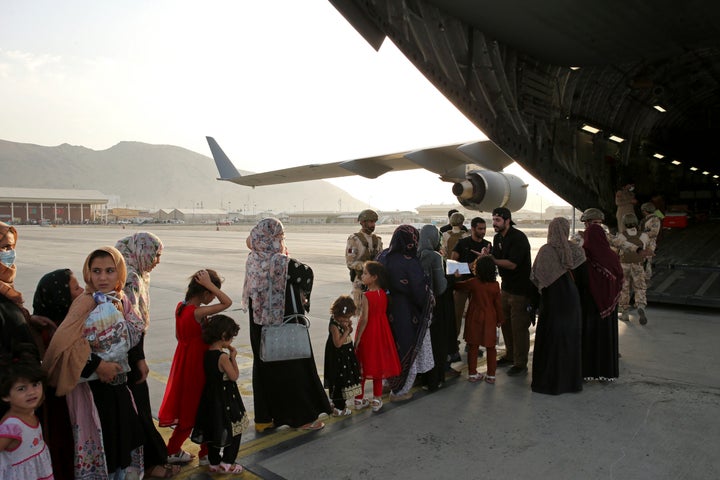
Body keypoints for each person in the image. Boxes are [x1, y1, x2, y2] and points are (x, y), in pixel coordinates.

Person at [43, 246, 145, 479]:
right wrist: (98, 366)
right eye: (96, 271)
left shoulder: (120, 299)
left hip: (118, 386)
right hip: (93, 390)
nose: (102, 277)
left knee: (121, 445)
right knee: (104, 444)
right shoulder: (84, 302)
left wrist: (138, 358)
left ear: (120, 272)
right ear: (88, 273)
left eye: (110, 271)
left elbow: (135, 329)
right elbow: (63, 345)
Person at [244, 218, 331, 431]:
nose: (282, 241)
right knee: (293, 368)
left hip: (260, 326)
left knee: (264, 368)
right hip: (284, 325)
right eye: (280, 237)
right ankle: (301, 418)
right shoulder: (282, 263)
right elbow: (307, 274)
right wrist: (304, 296)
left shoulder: (253, 259)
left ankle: (264, 419)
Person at [115, 232, 177, 478]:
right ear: (141, 250)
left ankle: (147, 461)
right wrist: (139, 358)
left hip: (125, 350)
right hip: (128, 352)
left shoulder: (130, 270)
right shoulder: (130, 277)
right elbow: (132, 324)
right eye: (155, 254)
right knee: (139, 407)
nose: (157, 260)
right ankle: (153, 463)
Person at [158, 269, 232, 465]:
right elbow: (228, 303)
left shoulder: (181, 307)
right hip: (197, 366)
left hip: (183, 360)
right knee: (200, 408)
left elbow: (177, 336)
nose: (214, 296)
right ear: (205, 292)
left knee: (190, 408)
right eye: (212, 293)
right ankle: (178, 451)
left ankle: (196, 452)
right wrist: (211, 284)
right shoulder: (197, 312)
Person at [32, 269, 84, 480]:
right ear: (60, 297)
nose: (82, 291)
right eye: (75, 288)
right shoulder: (50, 332)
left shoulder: (66, 322)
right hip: (59, 405)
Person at [378, 225, 434, 401]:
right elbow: (419, 291)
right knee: (406, 348)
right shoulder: (409, 261)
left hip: (385, 308)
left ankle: (388, 383)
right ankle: (400, 391)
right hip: (405, 311)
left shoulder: (383, 256)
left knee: (390, 346)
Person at [529, 217, 585, 395]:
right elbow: (584, 279)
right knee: (569, 341)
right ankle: (571, 383)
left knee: (551, 341)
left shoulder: (545, 251)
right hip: (571, 301)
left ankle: (548, 383)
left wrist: (533, 304)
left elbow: (536, 279)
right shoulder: (576, 250)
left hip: (552, 301)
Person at [191, 314, 246, 475]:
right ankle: (228, 462)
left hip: (210, 398)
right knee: (235, 429)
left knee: (213, 430)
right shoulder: (223, 357)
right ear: (223, 336)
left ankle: (214, 462)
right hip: (226, 398)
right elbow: (234, 376)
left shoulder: (207, 353)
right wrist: (233, 357)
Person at [483, 208, 535, 377]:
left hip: (520, 290)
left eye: (498, 220)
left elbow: (513, 264)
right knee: (505, 323)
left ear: (507, 220)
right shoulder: (497, 238)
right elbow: (496, 258)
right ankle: (510, 355)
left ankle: (520, 363)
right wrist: (487, 255)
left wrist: (493, 260)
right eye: (493, 219)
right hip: (505, 288)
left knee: (519, 327)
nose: (494, 223)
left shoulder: (518, 238)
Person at [1, 222, 43, 407]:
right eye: (3, 247)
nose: (9, 253)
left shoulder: (7, 291)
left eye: (11, 247)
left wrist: (27, 319)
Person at [353, 261, 401, 412]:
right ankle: (377, 399)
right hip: (382, 330)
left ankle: (358, 399)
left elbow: (365, 318)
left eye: (365, 273)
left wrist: (358, 337)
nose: (362, 276)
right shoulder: (383, 294)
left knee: (362, 365)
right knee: (378, 365)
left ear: (374, 277)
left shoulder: (367, 295)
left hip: (369, 332)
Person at [0, 348, 53, 480]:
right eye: (21, 388)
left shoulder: (30, 413)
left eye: (35, 384)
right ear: (6, 396)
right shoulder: (11, 427)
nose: (31, 392)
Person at [581, 223, 623, 382]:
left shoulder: (584, 255)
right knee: (607, 337)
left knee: (589, 337)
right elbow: (619, 278)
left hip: (589, 303)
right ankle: (607, 373)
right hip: (609, 305)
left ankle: (587, 372)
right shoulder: (612, 255)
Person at [453, 256, 504, 384]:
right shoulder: (495, 285)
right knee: (491, 347)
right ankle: (491, 375)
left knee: (473, 346)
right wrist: (500, 319)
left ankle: (472, 373)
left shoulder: (473, 282)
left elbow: (458, 286)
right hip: (490, 318)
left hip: (474, 317)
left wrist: (455, 277)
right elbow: (498, 304)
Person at [418, 225, 458, 390]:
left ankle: (425, 379)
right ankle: (436, 380)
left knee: (425, 344)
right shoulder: (434, 257)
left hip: (422, 306)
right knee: (438, 344)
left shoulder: (416, 255)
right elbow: (441, 287)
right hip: (438, 306)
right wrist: (453, 278)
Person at [450, 217, 491, 361]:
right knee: (456, 316)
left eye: (484, 229)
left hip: (478, 287)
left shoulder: (487, 245)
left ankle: (472, 344)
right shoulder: (462, 243)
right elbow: (452, 265)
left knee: (475, 318)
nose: (483, 231)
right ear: (473, 229)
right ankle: (452, 347)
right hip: (462, 284)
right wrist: (472, 264)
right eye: (480, 229)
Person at [323, 296, 362, 416]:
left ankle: (340, 405)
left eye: (349, 318)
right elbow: (338, 343)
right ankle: (339, 408)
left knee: (345, 380)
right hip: (338, 358)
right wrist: (345, 331)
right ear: (337, 314)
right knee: (339, 381)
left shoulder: (340, 321)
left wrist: (348, 328)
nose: (347, 320)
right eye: (345, 318)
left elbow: (346, 334)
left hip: (345, 357)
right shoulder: (334, 325)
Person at [346, 209, 383, 315]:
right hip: (360, 283)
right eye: (370, 222)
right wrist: (368, 268)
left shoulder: (378, 240)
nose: (373, 225)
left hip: (375, 284)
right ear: (362, 222)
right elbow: (350, 262)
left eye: (374, 222)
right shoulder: (354, 239)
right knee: (361, 314)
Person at [615, 214, 650, 325]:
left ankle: (625, 313)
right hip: (638, 264)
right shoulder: (644, 236)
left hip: (624, 264)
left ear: (624, 223)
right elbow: (646, 249)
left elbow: (617, 250)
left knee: (624, 288)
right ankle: (640, 306)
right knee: (640, 287)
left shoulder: (621, 236)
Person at [639, 202, 662, 281]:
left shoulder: (654, 219)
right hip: (643, 242)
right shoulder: (647, 218)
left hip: (649, 242)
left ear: (645, 210)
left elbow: (654, 232)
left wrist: (643, 234)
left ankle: (647, 276)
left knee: (647, 260)